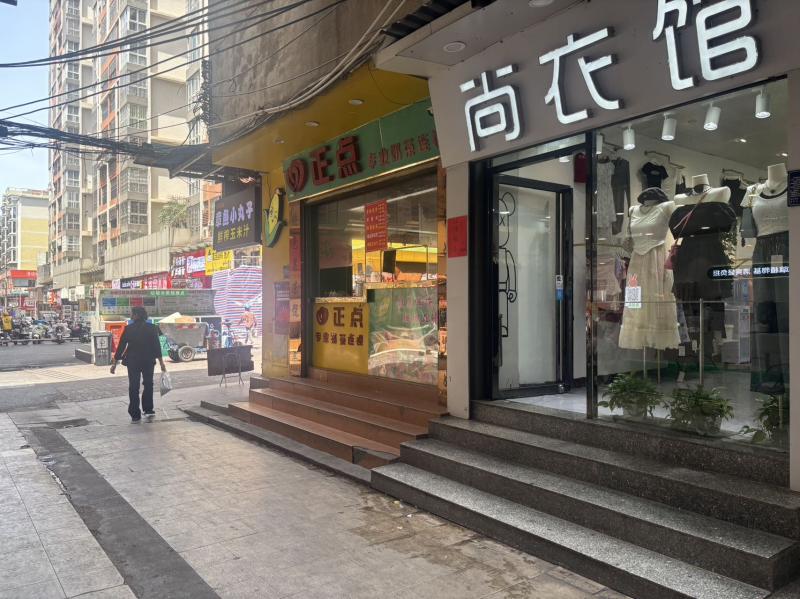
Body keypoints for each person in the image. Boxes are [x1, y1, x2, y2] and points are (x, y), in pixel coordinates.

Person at [110, 307, 166, 422]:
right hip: (148, 361)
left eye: (132, 313)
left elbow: (121, 347)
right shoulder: (152, 328)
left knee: (134, 386)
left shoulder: (128, 329)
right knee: (148, 384)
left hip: (133, 361)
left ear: (136, 315)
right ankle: (148, 409)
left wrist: (114, 364)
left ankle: (135, 414)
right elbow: (156, 346)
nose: (130, 315)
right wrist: (161, 363)